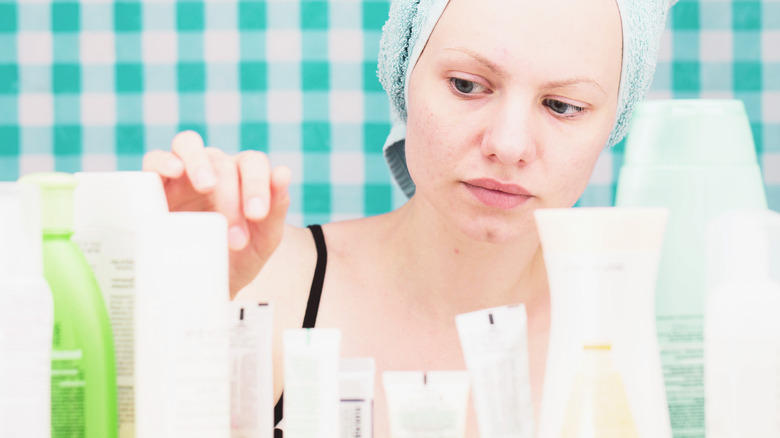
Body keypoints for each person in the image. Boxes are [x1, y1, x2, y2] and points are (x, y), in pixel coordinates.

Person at [142, 0, 675, 436]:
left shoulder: (659, 340)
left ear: (616, 121)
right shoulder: (265, 286)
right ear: (404, 75)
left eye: (562, 106)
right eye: (467, 85)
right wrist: (176, 309)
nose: (509, 145)